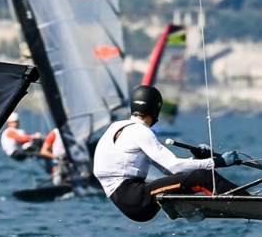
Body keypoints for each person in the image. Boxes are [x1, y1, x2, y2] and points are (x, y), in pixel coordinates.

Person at [93, 84, 240, 222]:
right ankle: (243, 201)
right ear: (155, 109)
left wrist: (197, 159)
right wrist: (218, 162)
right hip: (135, 198)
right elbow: (174, 167)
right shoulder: (141, 131)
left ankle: (173, 204)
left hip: (127, 199)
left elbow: (168, 169)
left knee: (191, 177)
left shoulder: (118, 127)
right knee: (203, 177)